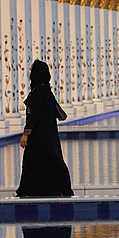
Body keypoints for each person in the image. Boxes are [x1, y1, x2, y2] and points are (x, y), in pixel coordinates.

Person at [16, 59, 74, 197]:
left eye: (31, 70)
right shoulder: (44, 90)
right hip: (45, 136)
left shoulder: (39, 92)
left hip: (39, 138)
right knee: (45, 162)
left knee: (43, 162)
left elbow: (34, 116)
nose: (30, 73)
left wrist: (26, 134)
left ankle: (57, 189)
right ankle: (47, 189)